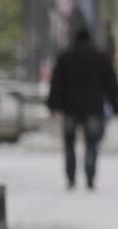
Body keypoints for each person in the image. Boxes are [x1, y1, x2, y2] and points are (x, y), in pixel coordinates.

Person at [47, 27, 118, 190]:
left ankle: (71, 177)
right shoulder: (101, 58)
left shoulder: (65, 57)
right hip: (93, 107)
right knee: (92, 144)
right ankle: (90, 177)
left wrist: (53, 106)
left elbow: (56, 83)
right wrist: (115, 106)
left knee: (69, 143)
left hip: (70, 108)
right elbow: (111, 85)